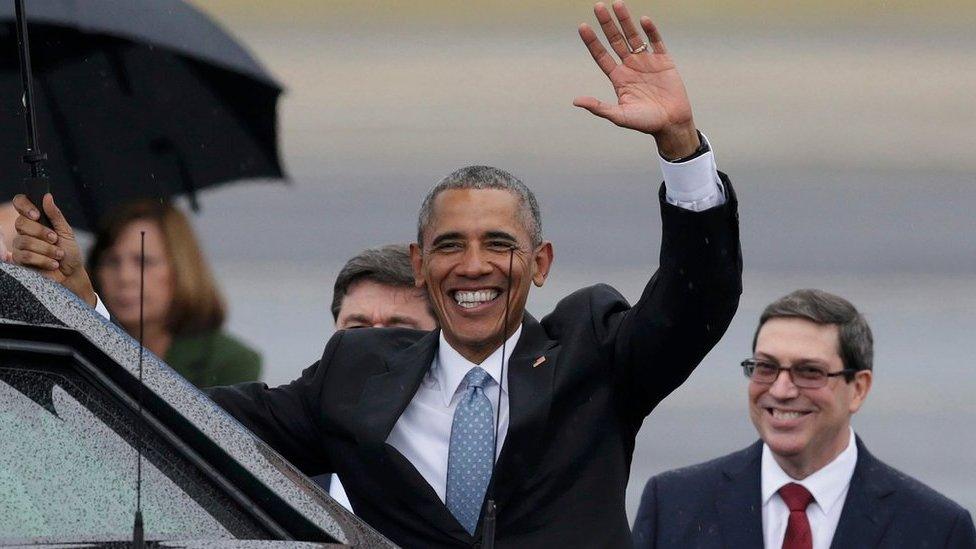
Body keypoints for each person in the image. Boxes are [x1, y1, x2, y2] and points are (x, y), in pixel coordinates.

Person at [11, 2, 742, 546]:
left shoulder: (594, 351)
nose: (475, 265)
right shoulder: (354, 373)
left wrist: (681, 147)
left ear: (541, 264)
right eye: (450, 245)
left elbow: (697, 298)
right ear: (420, 265)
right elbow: (187, 424)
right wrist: (85, 311)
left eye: (500, 243)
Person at [632, 289, 976, 549]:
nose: (781, 390)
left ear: (858, 388)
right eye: (766, 367)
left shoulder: (935, 529)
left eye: (809, 371)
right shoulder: (675, 504)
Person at [86, 200, 261, 388]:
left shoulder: (228, 362)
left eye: (144, 261)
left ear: (181, 269)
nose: (125, 277)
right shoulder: (82, 346)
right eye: (112, 261)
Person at [319, 243, 438, 511]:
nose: (371, 346)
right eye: (357, 328)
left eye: (397, 331)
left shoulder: (472, 457)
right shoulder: (285, 458)